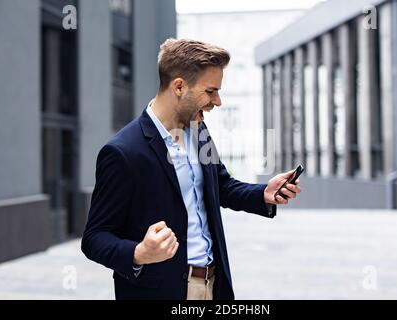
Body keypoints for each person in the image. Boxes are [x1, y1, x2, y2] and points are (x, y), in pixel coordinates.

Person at [81, 38, 301, 300]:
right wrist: (138, 253)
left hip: (213, 284)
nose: (217, 101)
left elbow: (222, 186)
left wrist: (263, 193)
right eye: (210, 91)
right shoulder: (122, 152)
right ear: (179, 87)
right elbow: (95, 238)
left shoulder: (198, 131)